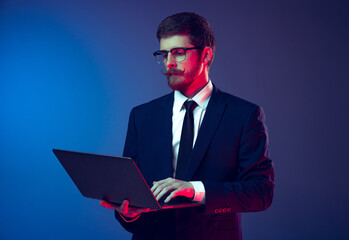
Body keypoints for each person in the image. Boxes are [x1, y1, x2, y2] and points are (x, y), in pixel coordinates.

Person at [100, 12, 274, 240]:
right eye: (164, 54)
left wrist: (195, 190)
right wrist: (129, 214)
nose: (169, 62)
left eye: (179, 53)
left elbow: (261, 192)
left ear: (206, 55)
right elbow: (130, 194)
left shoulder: (244, 115)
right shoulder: (141, 116)